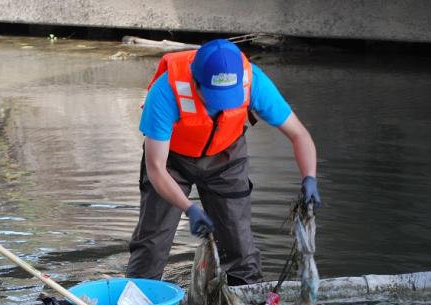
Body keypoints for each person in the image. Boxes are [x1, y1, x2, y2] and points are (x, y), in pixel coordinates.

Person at [126, 39, 321, 286]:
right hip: (171, 162)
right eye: (212, 97)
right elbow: (156, 168)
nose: (217, 107)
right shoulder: (165, 92)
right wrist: (189, 208)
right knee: (152, 243)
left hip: (226, 157)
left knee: (239, 246)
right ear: (195, 83)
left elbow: (299, 134)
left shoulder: (254, 83)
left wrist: (309, 178)